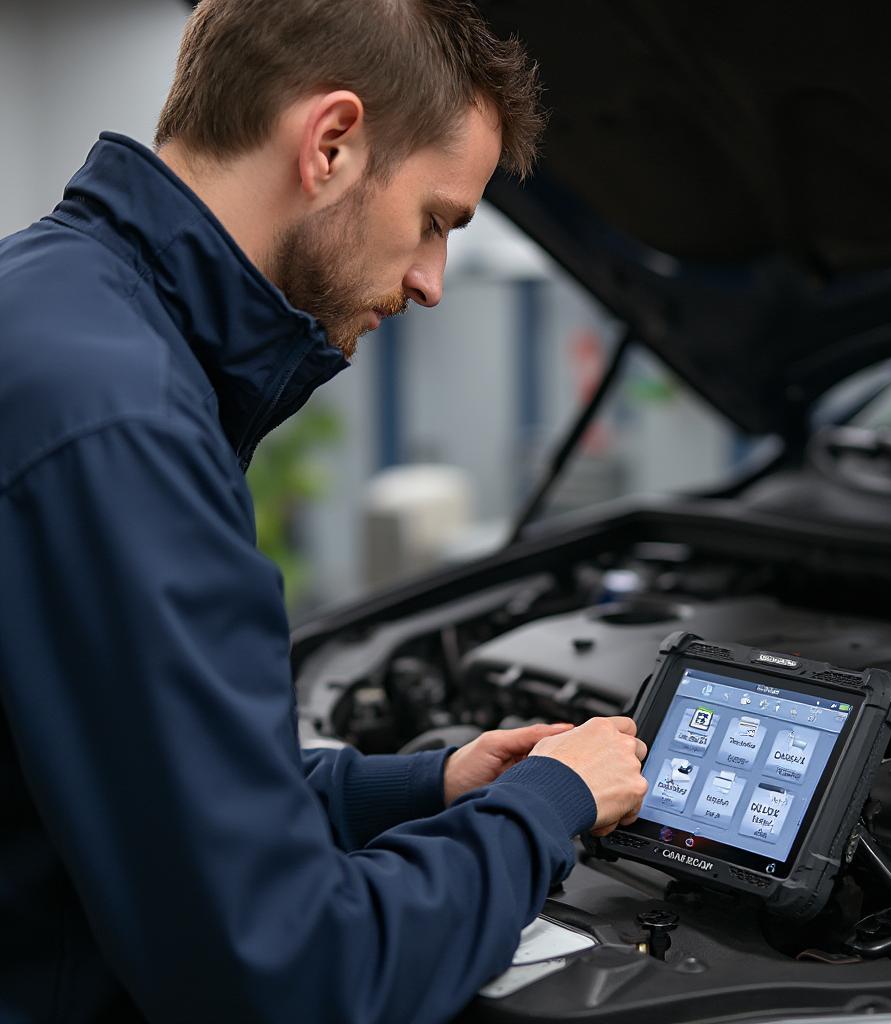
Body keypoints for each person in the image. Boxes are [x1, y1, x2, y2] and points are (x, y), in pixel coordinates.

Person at [0, 1, 649, 1022]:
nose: (433, 282)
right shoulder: (125, 426)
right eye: (436, 220)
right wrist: (544, 807)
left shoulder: (53, 309)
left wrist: (423, 786)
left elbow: (130, 786)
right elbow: (287, 973)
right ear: (332, 143)